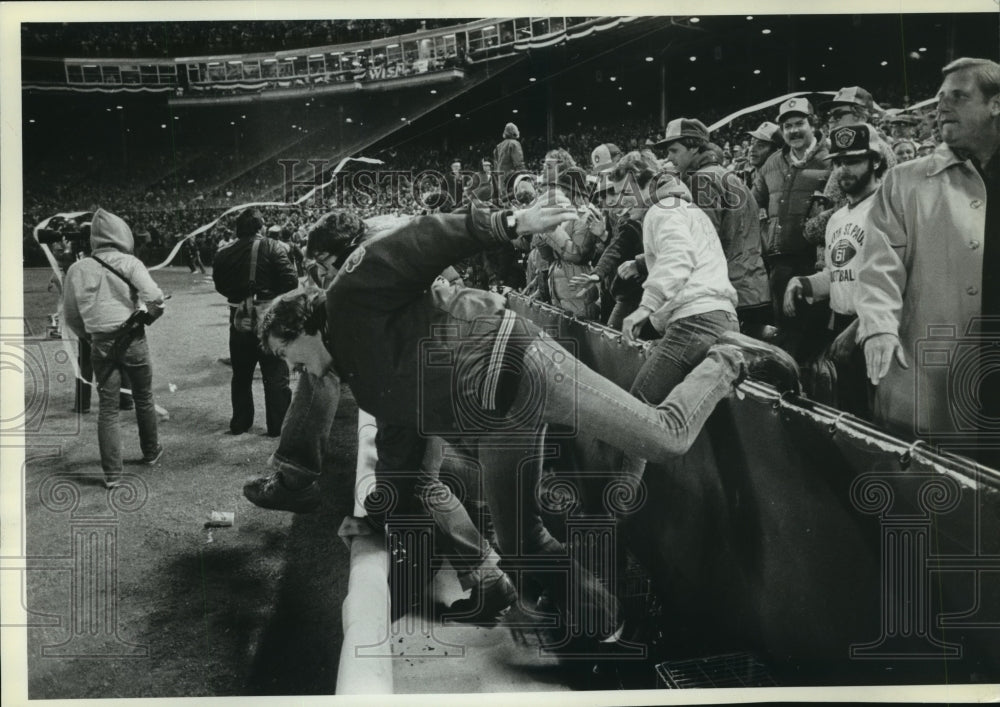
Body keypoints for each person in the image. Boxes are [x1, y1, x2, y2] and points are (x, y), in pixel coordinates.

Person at [254, 198, 797, 645]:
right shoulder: (361, 376)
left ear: (303, 324)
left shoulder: (350, 294)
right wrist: (379, 514)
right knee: (519, 546)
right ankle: (614, 628)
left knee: (665, 437)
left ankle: (728, 357)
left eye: (288, 353)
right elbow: (401, 453)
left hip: (524, 363)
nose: (292, 368)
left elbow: (424, 238)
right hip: (496, 424)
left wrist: (509, 222)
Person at [856, 57, 1000, 466]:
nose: (941, 106)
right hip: (933, 370)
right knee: (937, 491)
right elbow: (879, 266)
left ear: (996, 104)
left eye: (958, 96)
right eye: (939, 98)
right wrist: (879, 329)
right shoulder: (905, 180)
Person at [784, 123, 887, 417]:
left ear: (875, 161)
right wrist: (803, 283)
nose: (843, 169)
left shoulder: (888, 208)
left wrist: (860, 327)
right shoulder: (837, 218)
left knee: (881, 422)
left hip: (876, 326)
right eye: (838, 162)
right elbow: (837, 273)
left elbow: (901, 279)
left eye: (853, 160)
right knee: (851, 413)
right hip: (842, 324)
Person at [62, 208, 165, 488]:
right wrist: (148, 313)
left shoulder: (77, 268)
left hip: (100, 342)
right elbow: (155, 297)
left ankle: (112, 475)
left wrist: (90, 335)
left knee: (107, 409)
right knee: (143, 397)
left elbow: (70, 315)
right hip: (132, 338)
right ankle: (151, 452)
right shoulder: (130, 263)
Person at [656, 118, 772, 337]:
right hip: (754, 288)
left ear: (694, 147)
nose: (668, 158)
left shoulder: (702, 180)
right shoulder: (729, 176)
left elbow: (701, 244)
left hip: (731, 294)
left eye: (673, 150)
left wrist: (644, 261)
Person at [753, 97, 832, 361]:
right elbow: (754, 205)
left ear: (813, 124)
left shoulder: (830, 157)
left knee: (814, 337)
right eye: (787, 126)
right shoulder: (772, 162)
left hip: (817, 263)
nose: (793, 131)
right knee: (785, 334)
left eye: (799, 123)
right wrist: (765, 235)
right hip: (780, 262)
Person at [212, 209, 298, 436]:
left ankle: (240, 422)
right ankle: (277, 425)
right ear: (260, 227)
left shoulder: (224, 252)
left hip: (239, 318)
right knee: (275, 374)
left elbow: (220, 286)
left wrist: (243, 299)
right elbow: (291, 281)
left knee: (241, 374)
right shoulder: (272, 246)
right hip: (268, 317)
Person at [493, 121, 526, 199]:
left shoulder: (498, 146)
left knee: (504, 200)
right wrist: (525, 176)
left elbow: (495, 163)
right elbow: (519, 163)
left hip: (500, 178)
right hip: (510, 178)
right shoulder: (514, 143)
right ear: (515, 132)